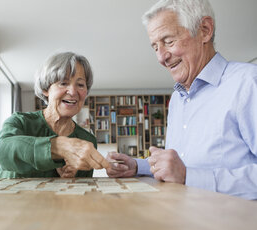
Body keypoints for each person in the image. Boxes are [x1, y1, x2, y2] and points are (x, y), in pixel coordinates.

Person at [107, 0, 257, 200]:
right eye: (155, 47)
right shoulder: (177, 98)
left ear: (204, 30)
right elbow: (178, 166)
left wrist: (189, 176)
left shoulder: (248, 83)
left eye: (168, 41)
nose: (161, 57)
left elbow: (184, 173)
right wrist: (136, 166)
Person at [0, 52, 110, 178]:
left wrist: (71, 179)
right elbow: (2, 151)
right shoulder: (20, 122)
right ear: (46, 89)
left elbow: (82, 190)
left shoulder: (87, 140)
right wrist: (58, 147)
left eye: (80, 85)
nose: (72, 92)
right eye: (63, 83)